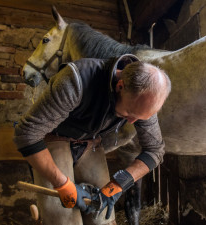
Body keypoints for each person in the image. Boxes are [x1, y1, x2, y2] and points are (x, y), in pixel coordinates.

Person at [14, 54, 171, 225]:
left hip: (90, 143)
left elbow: (155, 150)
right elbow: (26, 133)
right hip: (53, 139)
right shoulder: (76, 80)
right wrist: (62, 184)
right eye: (130, 114)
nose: (132, 122)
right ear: (120, 86)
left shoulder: (144, 99)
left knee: (102, 218)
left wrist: (119, 183)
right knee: (63, 220)